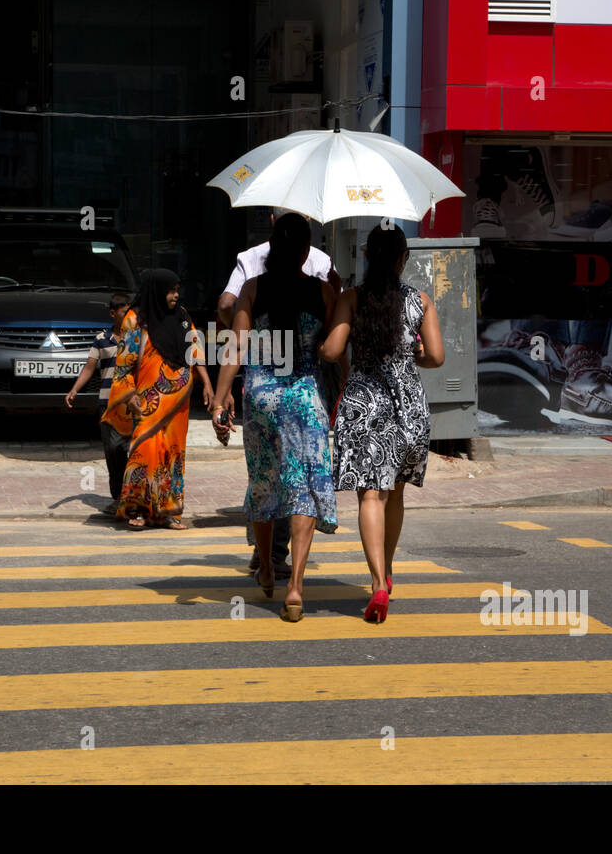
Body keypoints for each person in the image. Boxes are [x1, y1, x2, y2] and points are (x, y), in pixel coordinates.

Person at [211, 215, 344, 621]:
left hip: (262, 396)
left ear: (271, 246)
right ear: (306, 250)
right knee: (303, 485)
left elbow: (234, 348)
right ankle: (296, 588)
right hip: (305, 396)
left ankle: (267, 566)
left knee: (265, 480)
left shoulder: (253, 288)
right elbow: (335, 349)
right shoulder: (322, 291)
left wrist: (219, 402)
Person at [321, 225, 445, 623]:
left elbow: (332, 350)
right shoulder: (420, 301)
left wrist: (324, 336)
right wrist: (415, 355)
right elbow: (436, 358)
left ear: (369, 257)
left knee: (369, 496)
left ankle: (376, 583)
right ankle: (388, 572)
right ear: (402, 259)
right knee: (394, 494)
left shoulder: (352, 299)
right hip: (408, 408)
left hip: (364, 406)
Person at [102, 271, 213, 529]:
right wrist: (128, 395)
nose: (175, 295)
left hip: (179, 401)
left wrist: (207, 383)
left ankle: (167, 513)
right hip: (147, 401)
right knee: (144, 449)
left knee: (173, 454)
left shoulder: (182, 317)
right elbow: (124, 364)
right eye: (170, 290)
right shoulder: (135, 319)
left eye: (177, 290)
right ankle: (138, 509)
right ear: (156, 291)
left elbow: (195, 351)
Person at [66, 293, 131, 514]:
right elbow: (89, 367)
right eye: (124, 312)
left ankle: (131, 496)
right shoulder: (101, 338)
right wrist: (75, 389)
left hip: (132, 403)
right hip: (107, 402)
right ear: (113, 314)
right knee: (113, 449)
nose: (129, 315)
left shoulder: (137, 338)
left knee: (131, 449)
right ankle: (118, 496)